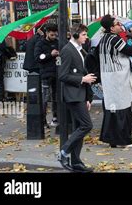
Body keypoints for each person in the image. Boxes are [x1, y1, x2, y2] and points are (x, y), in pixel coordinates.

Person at [57, 23, 96, 173]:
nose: (87, 37)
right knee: (86, 125)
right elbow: (62, 75)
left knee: (79, 127)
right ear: (75, 36)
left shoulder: (80, 50)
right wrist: (82, 79)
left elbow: (84, 72)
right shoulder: (67, 51)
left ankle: (76, 162)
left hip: (80, 94)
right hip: (73, 95)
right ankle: (64, 152)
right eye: (84, 34)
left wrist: (88, 97)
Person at [98, 15, 132, 148]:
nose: (120, 25)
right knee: (123, 109)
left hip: (109, 78)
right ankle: (124, 140)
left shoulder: (103, 39)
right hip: (119, 79)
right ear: (111, 28)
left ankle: (112, 139)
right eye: (117, 24)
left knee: (112, 110)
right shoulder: (114, 39)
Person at [34, 24, 60, 128]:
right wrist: (50, 54)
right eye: (52, 34)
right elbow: (38, 57)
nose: (54, 36)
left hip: (57, 73)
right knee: (45, 97)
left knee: (56, 97)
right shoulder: (40, 43)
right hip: (45, 74)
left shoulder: (58, 42)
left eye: (55, 34)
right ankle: (43, 120)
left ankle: (55, 117)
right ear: (47, 33)